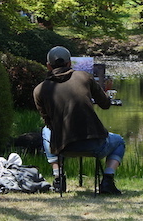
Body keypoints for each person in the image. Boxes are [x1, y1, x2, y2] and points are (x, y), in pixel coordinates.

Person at [33, 46, 125, 195]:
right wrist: (105, 92)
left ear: (48, 66)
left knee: (46, 131)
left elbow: (48, 122)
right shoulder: (84, 77)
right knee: (119, 141)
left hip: (63, 148)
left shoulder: (39, 90)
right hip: (95, 145)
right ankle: (107, 180)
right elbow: (105, 104)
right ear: (70, 64)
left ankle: (58, 178)